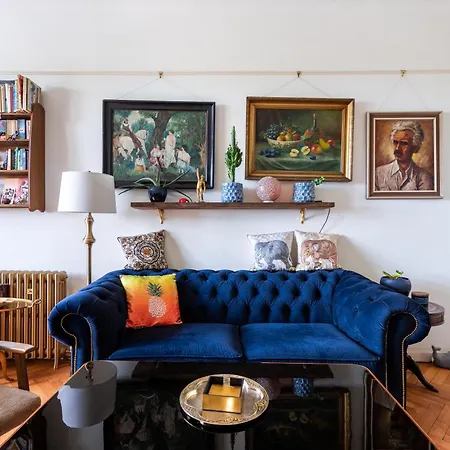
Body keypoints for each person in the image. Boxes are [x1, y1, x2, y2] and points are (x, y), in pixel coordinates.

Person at [375, 120, 434, 191]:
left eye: (403, 143)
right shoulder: (378, 173)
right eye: (395, 142)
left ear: (415, 147)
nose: (397, 148)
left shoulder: (425, 178)